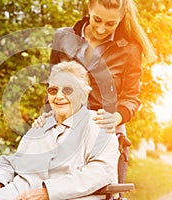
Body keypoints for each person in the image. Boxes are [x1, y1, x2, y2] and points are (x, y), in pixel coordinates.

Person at [33, 0, 156, 184]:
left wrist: (117, 117)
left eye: (110, 23)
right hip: (65, 133)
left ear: (121, 17)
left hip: (105, 134)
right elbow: (52, 85)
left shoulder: (130, 50)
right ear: (89, 8)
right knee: (52, 190)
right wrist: (48, 116)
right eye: (97, 19)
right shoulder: (63, 37)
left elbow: (131, 98)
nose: (100, 29)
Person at [0, 61, 119, 200]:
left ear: (84, 94)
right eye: (53, 90)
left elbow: (101, 171)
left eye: (68, 90)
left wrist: (49, 192)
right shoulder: (40, 126)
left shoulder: (98, 124)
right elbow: (12, 162)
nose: (58, 96)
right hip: (19, 193)